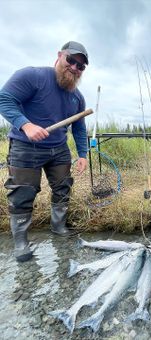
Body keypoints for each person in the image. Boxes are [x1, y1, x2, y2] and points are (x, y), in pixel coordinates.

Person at [0, 41, 89, 262]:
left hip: (58, 149)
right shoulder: (32, 76)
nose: (75, 67)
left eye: (81, 66)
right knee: (22, 193)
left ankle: (58, 226)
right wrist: (25, 124)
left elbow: (79, 127)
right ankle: (21, 241)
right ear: (60, 55)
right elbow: (4, 99)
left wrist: (83, 154)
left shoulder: (77, 97)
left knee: (63, 187)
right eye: (71, 60)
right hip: (24, 147)